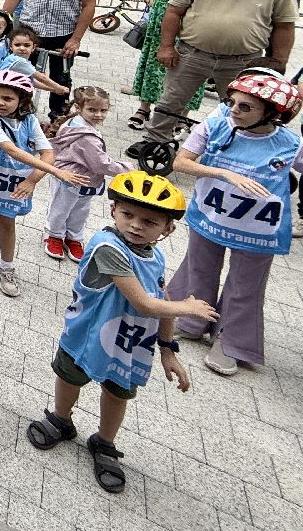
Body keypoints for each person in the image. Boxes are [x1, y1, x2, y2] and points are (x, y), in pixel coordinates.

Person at [28, 171, 213, 495]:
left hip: (127, 342)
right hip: (87, 335)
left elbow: (160, 297)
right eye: (128, 214)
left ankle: (104, 442)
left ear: (167, 229)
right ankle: (60, 419)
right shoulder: (107, 246)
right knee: (71, 377)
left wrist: (168, 349)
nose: (136, 225)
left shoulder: (155, 255)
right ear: (113, 210)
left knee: (117, 393)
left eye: (150, 221)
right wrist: (188, 308)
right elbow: (144, 302)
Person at [166, 72, 302, 376]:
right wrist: (225, 174)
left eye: (245, 107)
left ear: (272, 113)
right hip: (211, 215)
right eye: (232, 103)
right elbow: (181, 162)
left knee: (246, 284)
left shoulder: (290, 143)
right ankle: (191, 319)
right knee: (199, 269)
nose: (233, 111)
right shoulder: (215, 126)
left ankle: (230, 341)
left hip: (257, 228)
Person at [129, 0, 296, 160]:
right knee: (171, 99)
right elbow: (173, 12)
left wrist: (278, 63)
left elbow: (284, 26)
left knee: (243, 106)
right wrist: (166, 46)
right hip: (192, 53)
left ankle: (239, 147)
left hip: (243, 60)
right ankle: (154, 141)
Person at [0, 71, 82, 298]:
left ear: (22, 100)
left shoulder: (30, 121)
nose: (0, 102)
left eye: (8, 98)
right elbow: (11, 149)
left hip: (14, 182)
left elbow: (48, 152)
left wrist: (32, 180)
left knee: (7, 223)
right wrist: (55, 172)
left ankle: (6, 267)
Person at [0, 0, 100, 121]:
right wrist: (1, 20)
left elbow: (88, 5)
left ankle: (58, 117)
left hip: (62, 33)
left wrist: (76, 39)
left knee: (60, 78)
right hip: (29, 30)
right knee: (20, 73)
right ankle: (17, 111)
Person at [127, 0, 217, 130]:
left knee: (188, 76)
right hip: (157, 33)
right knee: (152, 71)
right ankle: (144, 108)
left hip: (189, 36)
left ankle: (181, 115)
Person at [43, 87, 131, 262]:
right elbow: (101, 164)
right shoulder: (86, 136)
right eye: (92, 110)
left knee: (79, 208)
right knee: (63, 208)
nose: (98, 114)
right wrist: (127, 169)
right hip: (71, 177)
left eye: (103, 110)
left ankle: (72, 237)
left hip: (80, 177)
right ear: (78, 108)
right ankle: (54, 235)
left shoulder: (76, 122)